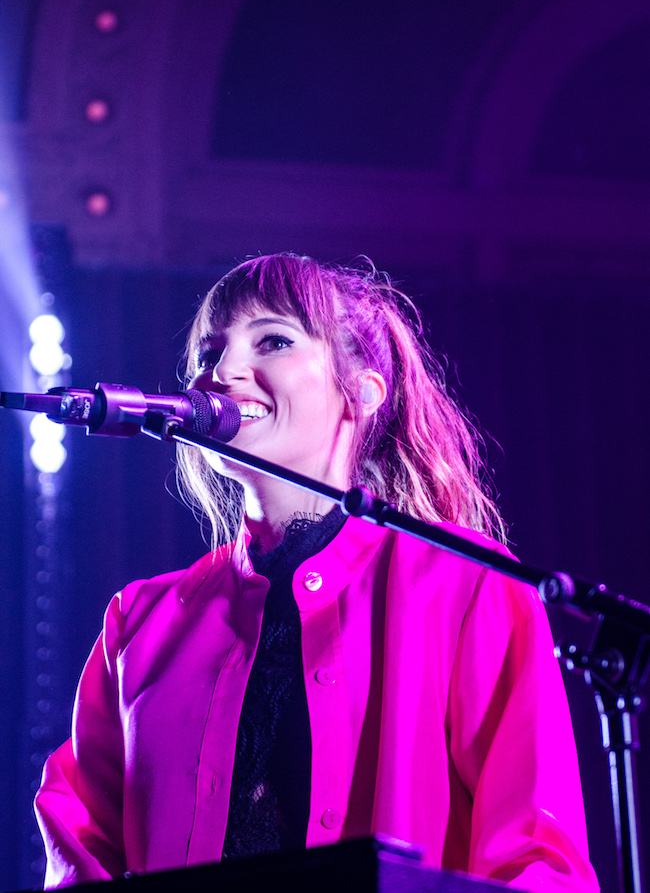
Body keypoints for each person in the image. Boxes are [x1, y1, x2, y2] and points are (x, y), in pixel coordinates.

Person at [35, 253, 599, 891]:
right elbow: (82, 850)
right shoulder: (137, 623)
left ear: (361, 391)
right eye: (206, 354)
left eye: (272, 340)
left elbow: (539, 862)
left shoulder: (465, 584)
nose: (221, 373)